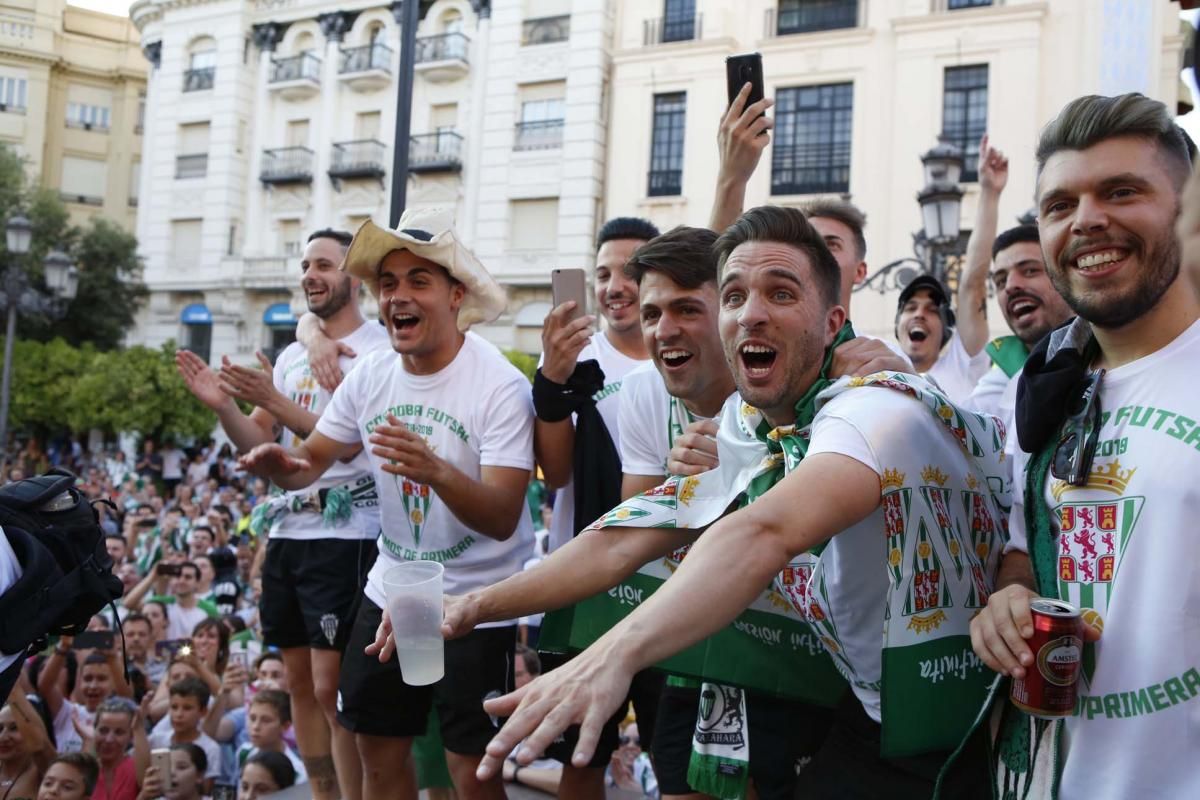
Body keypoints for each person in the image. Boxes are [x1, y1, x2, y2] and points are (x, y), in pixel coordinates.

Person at [463, 206, 1009, 798]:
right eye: (733, 295)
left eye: (780, 293)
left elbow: (761, 532)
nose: (751, 314)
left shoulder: (873, 410)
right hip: (872, 704)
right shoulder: (748, 420)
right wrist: (470, 605)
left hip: (959, 724)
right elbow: (634, 531)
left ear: (832, 323)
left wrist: (611, 656)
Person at [239, 207, 532, 800]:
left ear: (456, 296)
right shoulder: (372, 374)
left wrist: (435, 470)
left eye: (418, 281)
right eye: (389, 284)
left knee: (470, 768)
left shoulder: (499, 385)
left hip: (478, 600)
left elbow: (502, 517)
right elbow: (314, 460)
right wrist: (282, 468)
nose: (398, 296)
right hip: (394, 589)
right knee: (377, 750)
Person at [966, 93, 1200, 798]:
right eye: (1060, 205)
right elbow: (1026, 550)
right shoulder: (1042, 389)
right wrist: (1007, 601)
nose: (1088, 219)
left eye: (1122, 191)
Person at [177, 227, 387, 800]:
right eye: (305, 265)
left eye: (323, 264)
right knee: (297, 682)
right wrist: (225, 408)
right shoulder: (296, 353)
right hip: (289, 529)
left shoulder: (378, 350)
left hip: (347, 534)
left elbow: (345, 445)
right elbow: (264, 443)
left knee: (330, 686)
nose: (309, 275)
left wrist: (272, 399)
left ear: (354, 277)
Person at [954, 136, 1076, 439]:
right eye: (1000, 280)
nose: (1012, 287)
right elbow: (971, 287)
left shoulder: (1108, 356)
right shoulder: (997, 383)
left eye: (1030, 270)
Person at [894, 276, 990, 404]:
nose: (919, 314)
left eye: (932, 310)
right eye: (911, 308)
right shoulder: (878, 382)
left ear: (945, 330)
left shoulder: (961, 368)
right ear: (897, 325)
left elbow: (973, 287)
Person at [148, 678, 221, 782]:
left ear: (203, 712)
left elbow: (205, 791)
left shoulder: (210, 748)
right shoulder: (156, 740)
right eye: (174, 707)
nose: (179, 714)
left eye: (187, 708)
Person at [123, 564, 217, 641]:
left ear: (197, 583)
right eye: (177, 576)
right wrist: (153, 576)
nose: (181, 580)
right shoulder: (162, 603)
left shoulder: (209, 610)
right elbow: (128, 604)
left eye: (188, 577)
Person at [236, 691, 305, 785]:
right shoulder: (244, 752)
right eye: (252, 718)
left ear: (285, 726)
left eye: (266, 720)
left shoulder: (298, 772)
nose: (255, 726)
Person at [0, 686, 57, 800]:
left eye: (14, 728)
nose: (3, 737)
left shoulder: (45, 772)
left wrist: (11, 683)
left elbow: (40, 746)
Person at [90, 699, 149, 800]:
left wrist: (138, 729)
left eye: (119, 732)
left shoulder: (136, 769)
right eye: (103, 730)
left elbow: (145, 782)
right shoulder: (85, 770)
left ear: (131, 736)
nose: (109, 739)